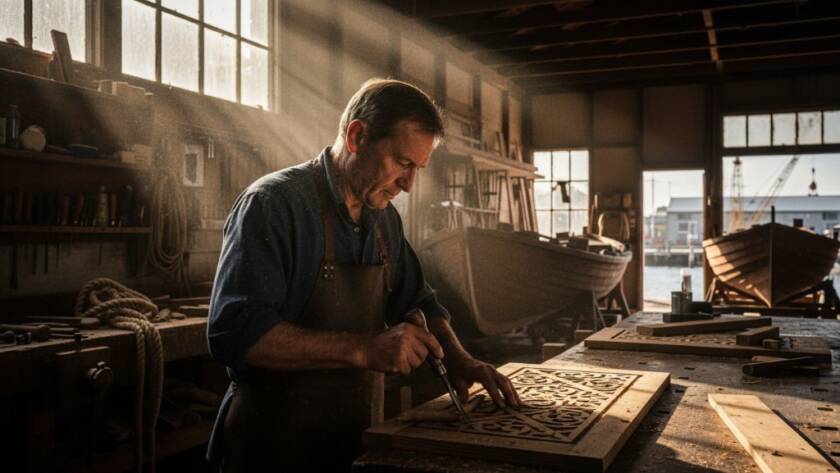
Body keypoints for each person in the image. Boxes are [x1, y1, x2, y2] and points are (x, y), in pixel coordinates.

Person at [206, 78, 521, 472]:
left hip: (354, 440)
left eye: (418, 168)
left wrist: (459, 360)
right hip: (272, 445)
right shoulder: (272, 205)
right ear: (357, 136)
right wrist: (364, 348)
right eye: (403, 163)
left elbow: (418, 301)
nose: (408, 185)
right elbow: (235, 334)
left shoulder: (384, 221)